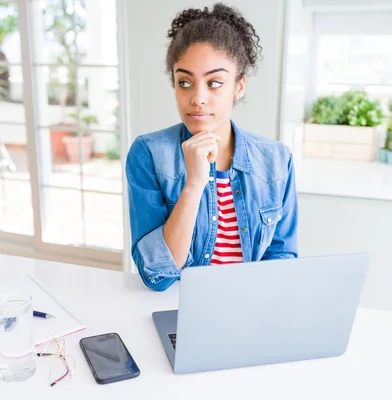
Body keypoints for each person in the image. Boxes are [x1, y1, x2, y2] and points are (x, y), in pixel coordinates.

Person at [126, 2, 298, 291]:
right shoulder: (149, 154)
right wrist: (194, 183)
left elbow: (282, 256)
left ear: (239, 87)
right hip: (179, 309)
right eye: (184, 82)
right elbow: (158, 275)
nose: (198, 98)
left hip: (251, 308)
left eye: (215, 83)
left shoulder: (277, 160)